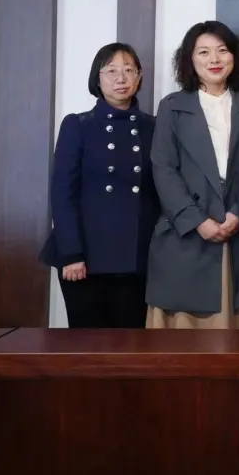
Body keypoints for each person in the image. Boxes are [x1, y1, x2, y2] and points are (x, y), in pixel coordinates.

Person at [145, 21, 239, 329]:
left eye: (222, 51)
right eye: (204, 52)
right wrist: (197, 220)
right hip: (186, 235)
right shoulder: (172, 106)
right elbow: (164, 169)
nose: (214, 60)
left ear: (234, 56)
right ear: (190, 59)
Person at [39, 43, 160, 328]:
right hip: (86, 256)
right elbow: (63, 194)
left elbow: (162, 191)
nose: (121, 78)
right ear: (98, 78)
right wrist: (72, 253)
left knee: (131, 343)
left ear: (139, 77)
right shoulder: (78, 125)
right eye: (112, 71)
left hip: (137, 255)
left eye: (129, 70)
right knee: (87, 345)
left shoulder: (155, 127)